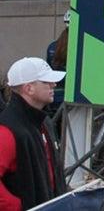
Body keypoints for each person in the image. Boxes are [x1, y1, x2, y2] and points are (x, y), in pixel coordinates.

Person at [0, 58, 65, 210]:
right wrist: (16, 206)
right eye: (46, 82)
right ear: (28, 88)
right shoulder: (8, 130)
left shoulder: (44, 122)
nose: (54, 85)